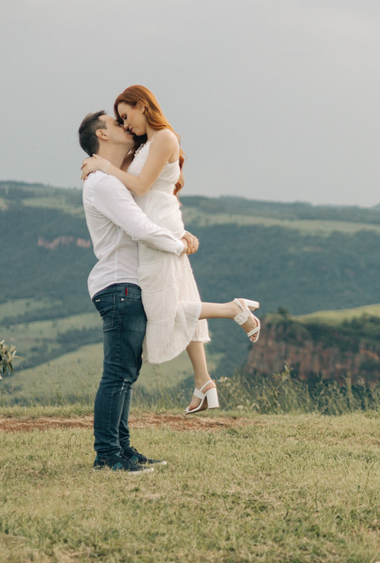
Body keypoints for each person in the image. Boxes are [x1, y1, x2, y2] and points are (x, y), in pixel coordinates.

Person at [80, 85, 259, 415]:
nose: (125, 123)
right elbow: (135, 198)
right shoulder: (143, 146)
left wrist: (103, 167)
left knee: (164, 311)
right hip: (158, 229)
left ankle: (233, 310)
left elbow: (142, 188)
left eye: (126, 115)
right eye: (118, 120)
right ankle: (204, 381)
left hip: (157, 233)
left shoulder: (164, 138)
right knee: (177, 302)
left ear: (142, 106)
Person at [79, 109, 197, 473]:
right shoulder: (104, 183)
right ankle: (107, 455)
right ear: (102, 135)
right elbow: (140, 228)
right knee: (118, 374)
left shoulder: (112, 178)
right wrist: (179, 244)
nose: (125, 125)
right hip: (119, 286)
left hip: (127, 286)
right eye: (116, 123)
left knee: (126, 373)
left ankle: (123, 449)